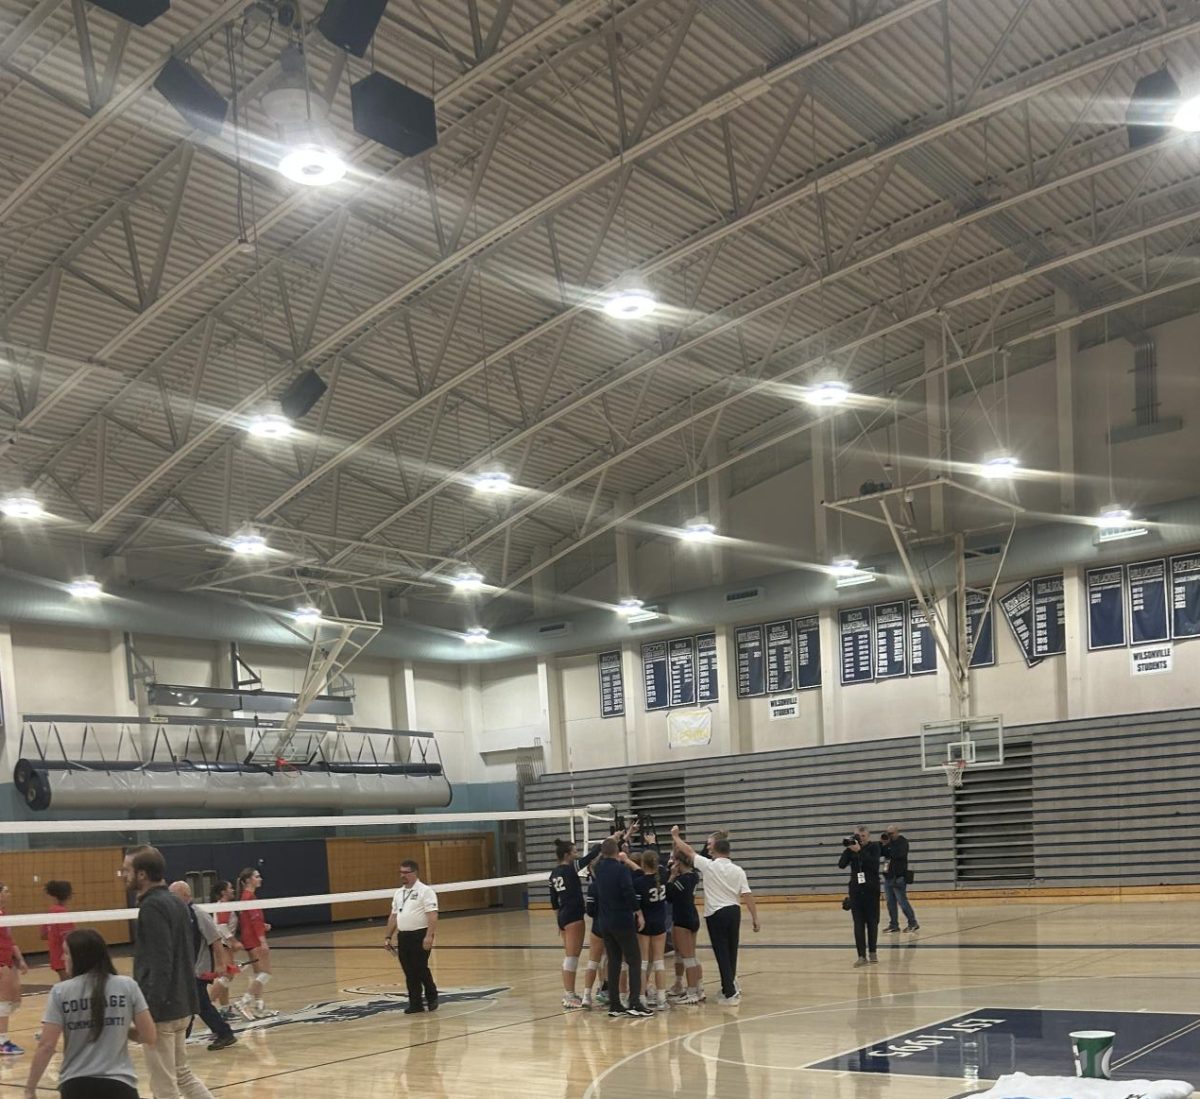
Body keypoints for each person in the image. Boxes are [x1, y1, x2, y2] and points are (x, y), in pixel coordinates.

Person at [120, 845, 213, 1099]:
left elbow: (161, 964)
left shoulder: (153, 907)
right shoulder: (176, 901)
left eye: (126, 870)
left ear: (141, 874)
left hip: (163, 1010)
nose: (123, 875)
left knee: (164, 1087)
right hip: (182, 1003)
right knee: (183, 1075)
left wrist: (147, 1012)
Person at [24, 928, 157, 1099]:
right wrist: (118, 1027)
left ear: (80, 957)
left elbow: (46, 1046)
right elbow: (149, 1036)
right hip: (120, 1085)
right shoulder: (127, 986)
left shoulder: (60, 991)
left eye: (66, 953)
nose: (62, 958)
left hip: (76, 1086)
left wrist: (30, 1089)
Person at [670, 826, 758, 1005]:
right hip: (734, 912)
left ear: (715, 849)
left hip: (716, 913)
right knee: (732, 951)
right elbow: (747, 895)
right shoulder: (738, 870)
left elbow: (688, 851)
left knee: (722, 953)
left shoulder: (709, 866)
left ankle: (730, 992)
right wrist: (755, 918)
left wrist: (675, 837)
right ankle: (731, 985)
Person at [168, 882, 237, 1052]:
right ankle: (218, 1033)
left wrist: (221, 964)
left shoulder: (199, 915)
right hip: (186, 969)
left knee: (198, 1003)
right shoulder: (177, 915)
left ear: (185, 895)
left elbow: (215, 939)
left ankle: (224, 1033)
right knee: (194, 1003)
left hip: (199, 968)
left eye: (174, 896)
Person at [590, 838, 652, 1018]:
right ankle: (634, 1002)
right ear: (617, 852)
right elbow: (628, 892)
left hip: (605, 922)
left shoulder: (599, 869)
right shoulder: (621, 869)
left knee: (614, 961)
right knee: (634, 959)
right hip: (622, 920)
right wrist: (638, 912)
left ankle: (615, 1004)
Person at [548, 836, 602, 1009]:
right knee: (572, 957)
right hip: (573, 916)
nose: (577, 854)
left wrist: (559, 921)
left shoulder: (554, 873)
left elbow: (554, 902)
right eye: (575, 852)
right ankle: (569, 995)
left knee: (571, 956)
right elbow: (591, 856)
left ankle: (570, 993)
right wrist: (610, 841)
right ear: (567, 855)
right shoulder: (570, 869)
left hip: (563, 916)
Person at [384, 860, 439, 1014]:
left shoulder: (425, 891)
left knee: (420, 967)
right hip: (404, 936)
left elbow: (432, 915)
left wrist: (429, 936)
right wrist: (388, 936)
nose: (403, 875)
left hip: (420, 934)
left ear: (414, 873)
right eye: (401, 872)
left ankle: (432, 995)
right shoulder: (398, 893)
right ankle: (415, 1003)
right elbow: (394, 916)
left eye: (406, 872)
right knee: (409, 970)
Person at [234, 868, 274, 1020]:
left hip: (249, 938)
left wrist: (263, 925)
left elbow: (252, 921)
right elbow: (254, 921)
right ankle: (243, 1002)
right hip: (254, 940)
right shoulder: (249, 897)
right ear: (248, 880)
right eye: (257, 876)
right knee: (266, 973)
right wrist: (262, 940)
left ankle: (259, 1006)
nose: (260, 879)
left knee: (259, 973)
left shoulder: (246, 897)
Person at [839, 825, 882, 966]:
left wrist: (860, 851)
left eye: (863, 836)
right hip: (856, 890)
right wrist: (849, 849)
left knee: (872, 922)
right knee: (858, 924)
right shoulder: (851, 849)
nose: (860, 838)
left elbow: (873, 864)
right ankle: (861, 956)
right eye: (858, 836)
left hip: (871, 889)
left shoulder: (874, 847)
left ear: (868, 836)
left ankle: (873, 952)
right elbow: (841, 864)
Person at [632, 849, 669, 1011]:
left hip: (644, 925)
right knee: (659, 962)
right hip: (660, 924)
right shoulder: (662, 878)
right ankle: (661, 998)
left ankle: (641, 997)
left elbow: (636, 906)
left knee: (644, 962)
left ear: (642, 864)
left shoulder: (639, 883)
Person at [666, 851, 704, 1004]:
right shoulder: (694, 875)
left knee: (688, 958)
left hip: (683, 919)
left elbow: (668, 895)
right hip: (691, 916)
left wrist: (671, 876)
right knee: (684, 954)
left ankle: (693, 992)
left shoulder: (682, 880)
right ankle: (693, 988)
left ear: (678, 862)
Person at [0, 883, 29, 1055]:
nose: (9, 894)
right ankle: (2, 1041)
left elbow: (10, 940)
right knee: (4, 1000)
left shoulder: (5, 915)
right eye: (5, 891)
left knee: (15, 999)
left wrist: (20, 959)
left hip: (8, 961)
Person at [206, 882, 240, 1017]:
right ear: (223, 892)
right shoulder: (223, 906)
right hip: (223, 944)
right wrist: (234, 941)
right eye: (230, 888)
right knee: (227, 975)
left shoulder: (225, 905)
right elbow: (221, 926)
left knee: (226, 976)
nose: (232, 890)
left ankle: (225, 1008)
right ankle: (206, 1007)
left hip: (224, 944)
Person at [880, 825, 919, 934]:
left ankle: (912, 923)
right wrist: (882, 843)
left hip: (898, 877)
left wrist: (888, 846)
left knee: (902, 901)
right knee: (890, 902)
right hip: (888, 877)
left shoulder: (903, 842)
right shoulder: (888, 843)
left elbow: (897, 855)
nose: (890, 835)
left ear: (897, 832)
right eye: (888, 833)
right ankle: (893, 925)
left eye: (891, 833)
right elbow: (880, 853)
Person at [41, 881, 75, 983]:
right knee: (69, 984)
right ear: (68, 895)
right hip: (64, 956)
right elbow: (68, 937)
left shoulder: (50, 911)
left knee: (65, 983)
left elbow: (43, 935)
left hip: (55, 955)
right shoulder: (62, 913)